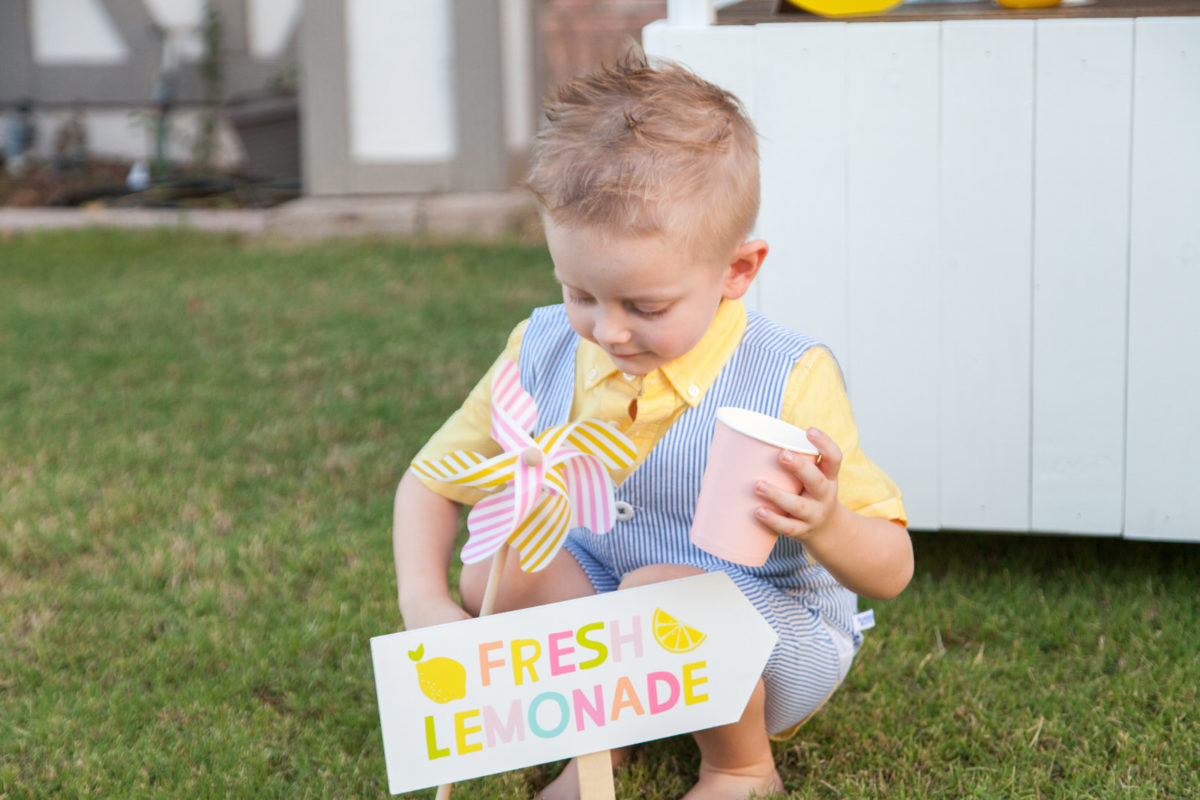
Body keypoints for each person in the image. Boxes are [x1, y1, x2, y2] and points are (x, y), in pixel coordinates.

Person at [393, 49, 913, 800]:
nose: (608, 332)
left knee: (665, 586)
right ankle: (603, 739)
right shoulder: (543, 349)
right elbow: (429, 483)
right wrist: (426, 604)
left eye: (645, 307)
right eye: (580, 293)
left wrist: (826, 520)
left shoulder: (789, 377)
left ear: (738, 271)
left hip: (765, 640)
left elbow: (893, 570)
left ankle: (740, 767)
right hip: (617, 617)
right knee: (497, 568)